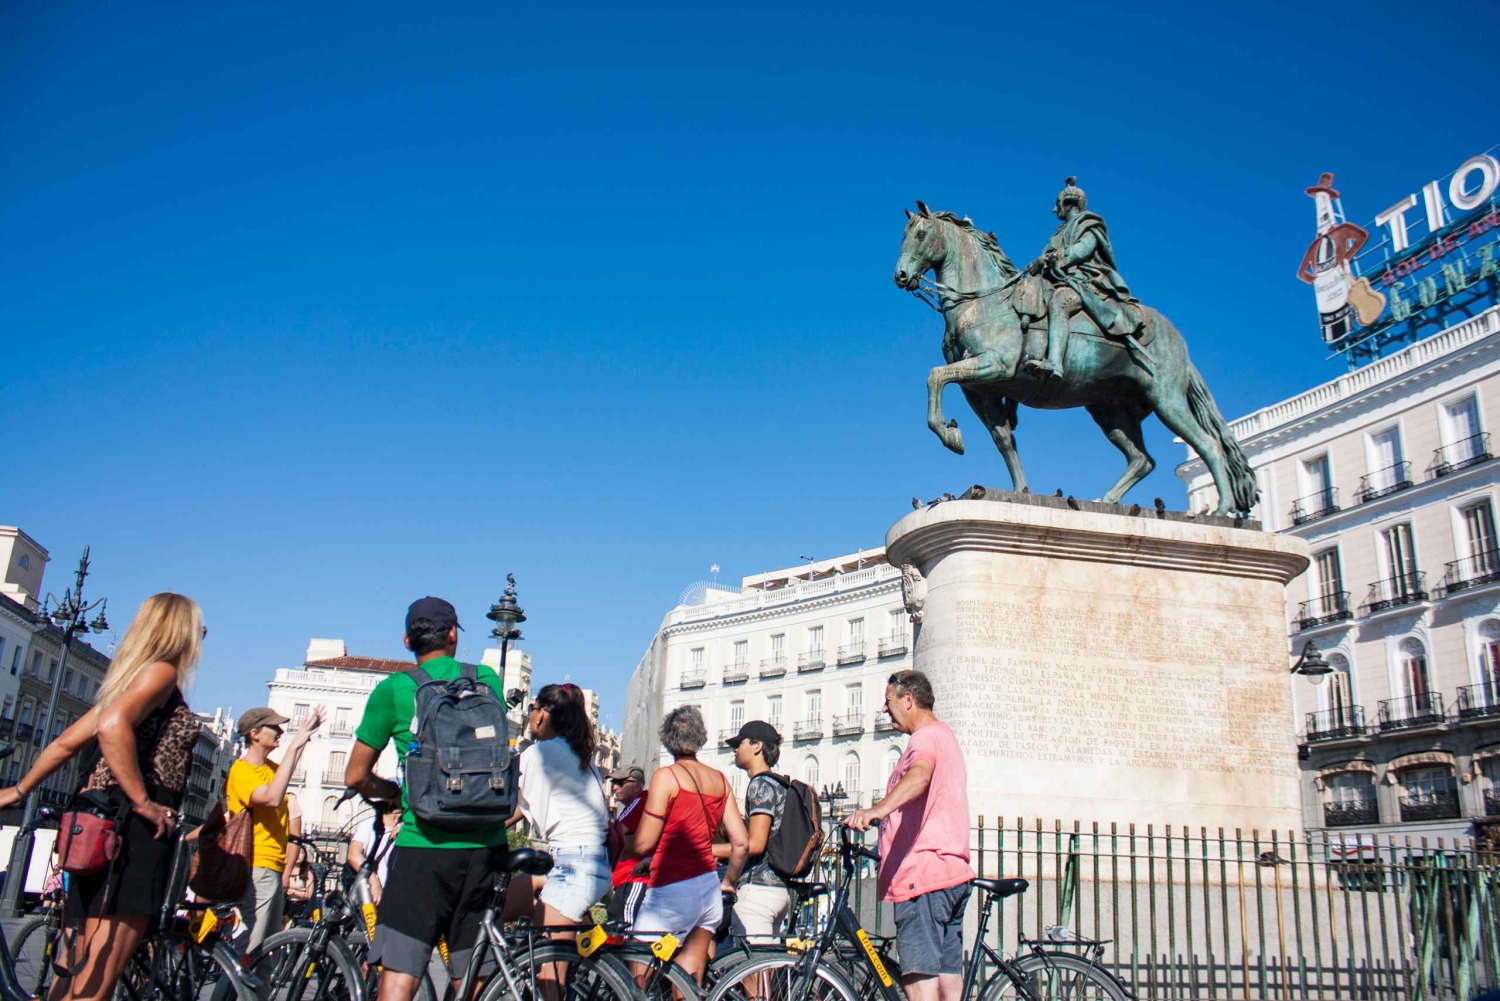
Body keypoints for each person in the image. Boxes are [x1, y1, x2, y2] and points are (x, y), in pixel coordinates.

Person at [0, 593, 203, 1001]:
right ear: (179, 631)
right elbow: (112, 726)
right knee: (101, 972)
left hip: (96, 829)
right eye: (200, 630)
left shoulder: (129, 681)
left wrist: (16, 790)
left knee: (76, 964)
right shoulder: (161, 674)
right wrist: (144, 801)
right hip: (135, 834)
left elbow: (63, 744)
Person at [343, 596, 509, 1001]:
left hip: (423, 846)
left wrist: (394, 794)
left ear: (406, 641)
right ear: (453, 635)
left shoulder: (395, 689)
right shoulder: (487, 679)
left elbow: (355, 775)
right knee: (472, 977)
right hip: (485, 847)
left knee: (400, 973)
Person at [847, 671, 974, 1001]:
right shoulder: (945, 735)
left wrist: (877, 811)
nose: (885, 710)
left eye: (888, 702)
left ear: (908, 700)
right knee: (948, 982)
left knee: (920, 986)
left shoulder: (924, 738)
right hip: (949, 873)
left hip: (923, 878)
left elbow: (920, 777)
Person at [631, 707, 748, 984]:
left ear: (667, 739)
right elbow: (741, 843)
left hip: (670, 887)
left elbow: (644, 842)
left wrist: (622, 849)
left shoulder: (666, 776)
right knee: (687, 985)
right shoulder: (720, 780)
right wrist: (729, 881)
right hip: (707, 889)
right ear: (700, 738)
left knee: (635, 978)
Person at [503, 683, 611, 926]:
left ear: (541, 714)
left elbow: (500, 798)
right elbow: (521, 808)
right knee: (505, 902)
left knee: (549, 961)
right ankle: (583, 939)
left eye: (532, 708)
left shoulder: (539, 754)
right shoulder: (578, 754)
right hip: (587, 861)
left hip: (573, 864)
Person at [226, 702, 324, 955]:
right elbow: (271, 797)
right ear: (254, 734)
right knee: (251, 950)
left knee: (264, 954)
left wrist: (303, 739)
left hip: (272, 867)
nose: (280, 731)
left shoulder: (270, 769)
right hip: (256, 865)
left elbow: (283, 779)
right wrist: (295, 743)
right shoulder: (242, 771)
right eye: (273, 727)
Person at [1022, 176, 1140, 380]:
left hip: (1084, 282)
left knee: (1059, 303)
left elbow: (1081, 251)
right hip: (1057, 280)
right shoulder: (1059, 232)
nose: (1054, 209)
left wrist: (1047, 259)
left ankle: (1054, 362)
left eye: (1057, 204)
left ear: (1069, 203)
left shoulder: (1089, 224)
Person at [715, 721, 790, 942]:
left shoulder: (761, 784)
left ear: (757, 747)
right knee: (766, 972)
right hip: (779, 890)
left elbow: (755, 844)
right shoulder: (781, 784)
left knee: (751, 972)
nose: (735, 749)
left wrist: (709, 850)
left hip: (758, 892)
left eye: (740, 743)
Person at [603, 764, 648, 929]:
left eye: (621, 783)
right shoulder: (633, 805)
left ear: (637, 785)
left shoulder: (640, 800)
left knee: (623, 933)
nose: (615, 787)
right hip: (628, 879)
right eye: (614, 782)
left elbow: (616, 835)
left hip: (634, 879)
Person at [347, 802, 402, 905]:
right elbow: (353, 854)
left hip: (400, 894)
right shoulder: (370, 825)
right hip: (372, 894)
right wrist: (374, 881)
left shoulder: (409, 829)